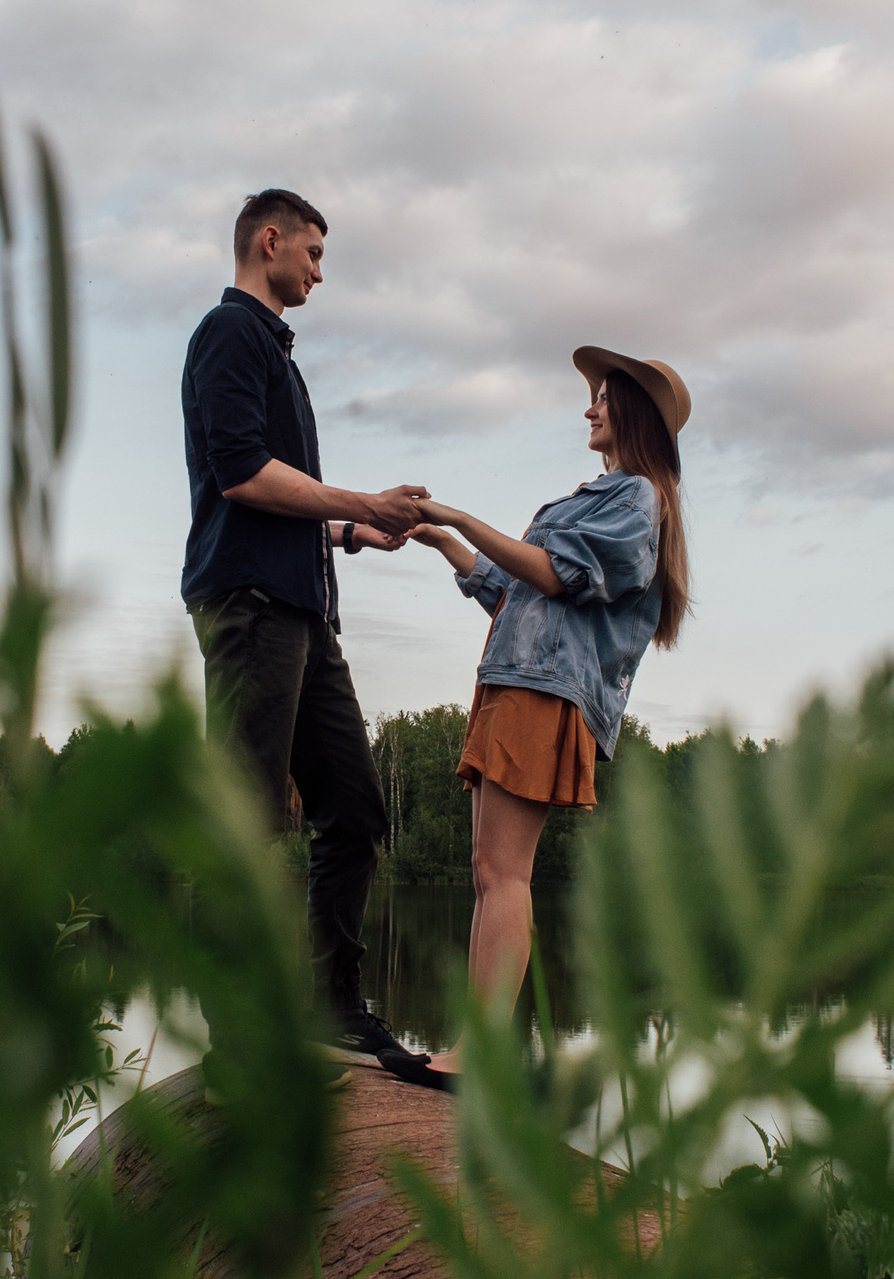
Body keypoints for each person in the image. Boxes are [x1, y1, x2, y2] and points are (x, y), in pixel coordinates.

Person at [181, 187, 435, 1067]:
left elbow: (271, 497)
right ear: (270, 239)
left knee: (358, 810)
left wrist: (345, 530)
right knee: (249, 823)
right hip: (248, 605)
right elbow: (241, 475)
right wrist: (362, 495)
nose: (320, 272)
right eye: (315, 255)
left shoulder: (276, 351)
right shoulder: (230, 334)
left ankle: (332, 1005)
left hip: (301, 609)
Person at [394, 347, 692, 1088]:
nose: (589, 408)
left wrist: (460, 512)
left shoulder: (638, 499)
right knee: (490, 871)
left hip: (541, 690)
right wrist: (441, 541)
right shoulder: (601, 495)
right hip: (514, 678)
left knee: (504, 872)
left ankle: (483, 1055)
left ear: (635, 414)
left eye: (602, 398)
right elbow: (513, 589)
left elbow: (555, 574)